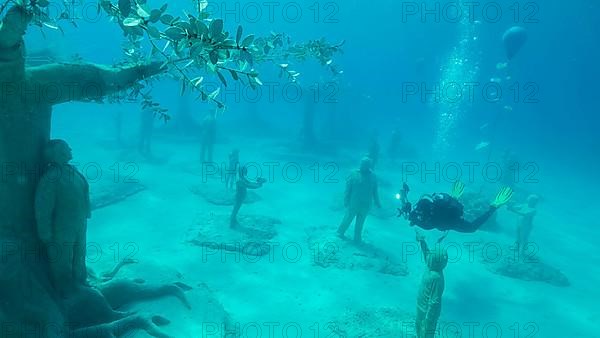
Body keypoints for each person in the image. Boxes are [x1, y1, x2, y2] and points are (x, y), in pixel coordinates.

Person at [34, 139, 91, 297]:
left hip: (79, 224)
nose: (70, 149)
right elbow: (43, 209)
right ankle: (65, 290)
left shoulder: (73, 171)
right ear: (58, 153)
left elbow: (84, 192)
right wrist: (44, 233)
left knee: (80, 253)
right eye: (66, 148)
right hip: (61, 227)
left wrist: (86, 213)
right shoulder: (50, 179)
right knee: (62, 258)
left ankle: (80, 281)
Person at [398, 181, 513, 233]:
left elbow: (424, 224)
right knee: (472, 228)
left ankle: (493, 207)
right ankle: (454, 198)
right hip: (449, 218)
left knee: (472, 228)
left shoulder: (427, 220)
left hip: (449, 220)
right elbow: (417, 217)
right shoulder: (424, 212)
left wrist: (412, 218)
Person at [337, 157, 381, 243]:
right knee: (348, 218)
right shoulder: (353, 174)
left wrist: (377, 202)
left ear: (369, 165)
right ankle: (340, 232)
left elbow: (375, 191)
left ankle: (357, 238)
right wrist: (346, 200)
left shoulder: (373, 177)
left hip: (366, 205)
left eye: (364, 164)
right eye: (361, 163)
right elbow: (347, 189)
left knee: (360, 223)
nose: (362, 165)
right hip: (354, 203)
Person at [415, 230, 447, 338]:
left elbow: (435, 301)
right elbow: (426, 253)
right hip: (421, 307)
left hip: (428, 313)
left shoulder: (436, 278)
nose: (428, 257)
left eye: (431, 256)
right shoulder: (431, 266)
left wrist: (429, 317)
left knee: (426, 334)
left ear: (435, 260)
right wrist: (422, 241)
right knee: (419, 329)